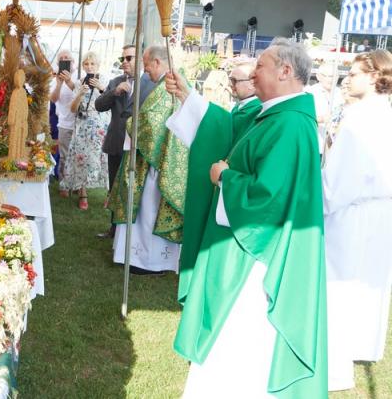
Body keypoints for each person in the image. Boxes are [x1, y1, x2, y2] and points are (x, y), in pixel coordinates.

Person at [169, 39, 327, 398]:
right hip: (246, 244)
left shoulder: (289, 124)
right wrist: (188, 98)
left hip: (256, 255)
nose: (253, 73)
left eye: (261, 66)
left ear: (285, 71)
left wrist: (225, 178)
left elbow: (268, 197)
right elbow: (227, 128)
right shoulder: (274, 116)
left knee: (241, 334)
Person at [165, 59, 262, 322]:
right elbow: (222, 125)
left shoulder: (257, 112)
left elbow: (222, 129)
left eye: (236, 80)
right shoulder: (243, 109)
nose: (230, 85)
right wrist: (186, 95)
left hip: (236, 191)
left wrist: (188, 95)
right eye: (230, 79)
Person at [323, 50, 392, 391]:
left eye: (354, 74)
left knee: (341, 283)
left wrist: (318, 198)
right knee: (369, 281)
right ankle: (359, 345)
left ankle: (334, 363)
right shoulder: (384, 113)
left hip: (353, 210)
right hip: (380, 211)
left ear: (376, 76)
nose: (347, 79)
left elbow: (339, 181)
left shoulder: (360, 118)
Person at [109, 45, 187, 274]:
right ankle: (139, 258)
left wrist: (131, 124)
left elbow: (150, 125)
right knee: (146, 209)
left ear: (157, 62)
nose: (145, 70)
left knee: (149, 210)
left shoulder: (168, 88)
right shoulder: (170, 84)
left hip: (156, 164)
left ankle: (149, 262)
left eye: (146, 64)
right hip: (159, 160)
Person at [94, 45, 155, 236]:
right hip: (116, 142)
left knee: (135, 189)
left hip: (138, 146)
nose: (124, 62)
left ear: (141, 60)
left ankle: (132, 232)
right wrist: (114, 92)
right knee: (114, 187)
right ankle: (114, 229)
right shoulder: (116, 81)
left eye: (129, 58)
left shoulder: (151, 82)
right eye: (123, 58)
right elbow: (99, 105)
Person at [63, 52, 109, 210]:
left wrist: (101, 88)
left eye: (92, 64)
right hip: (82, 125)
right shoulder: (79, 83)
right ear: (83, 66)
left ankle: (109, 194)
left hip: (100, 125)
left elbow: (112, 101)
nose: (89, 67)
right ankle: (83, 194)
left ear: (98, 65)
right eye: (87, 64)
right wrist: (80, 94)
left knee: (103, 158)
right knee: (81, 158)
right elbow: (73, 109)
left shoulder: (105, 81)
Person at [49, 50, 77, 197]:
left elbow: (81, 93)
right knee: (64, 155)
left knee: (78, 155)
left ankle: (77, 184)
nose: (65, 60)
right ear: (58, 63)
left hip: (79, 123)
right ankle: (64, 184)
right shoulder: (55, 79)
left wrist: (69, 81)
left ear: (73, 62)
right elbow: (53, 99)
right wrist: (59, 84)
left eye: (68, 58)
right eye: (62, 59)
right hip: (64, 122)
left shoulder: (79, 76)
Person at [306, 64, 343, 154]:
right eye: (329, 76)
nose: (332, 79)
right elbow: (303, 117)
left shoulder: (342, 94)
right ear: (319, 77)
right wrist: (321, 119)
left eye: (335, 76)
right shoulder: (309, 93)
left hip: (335, 148)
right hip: (315, 146)